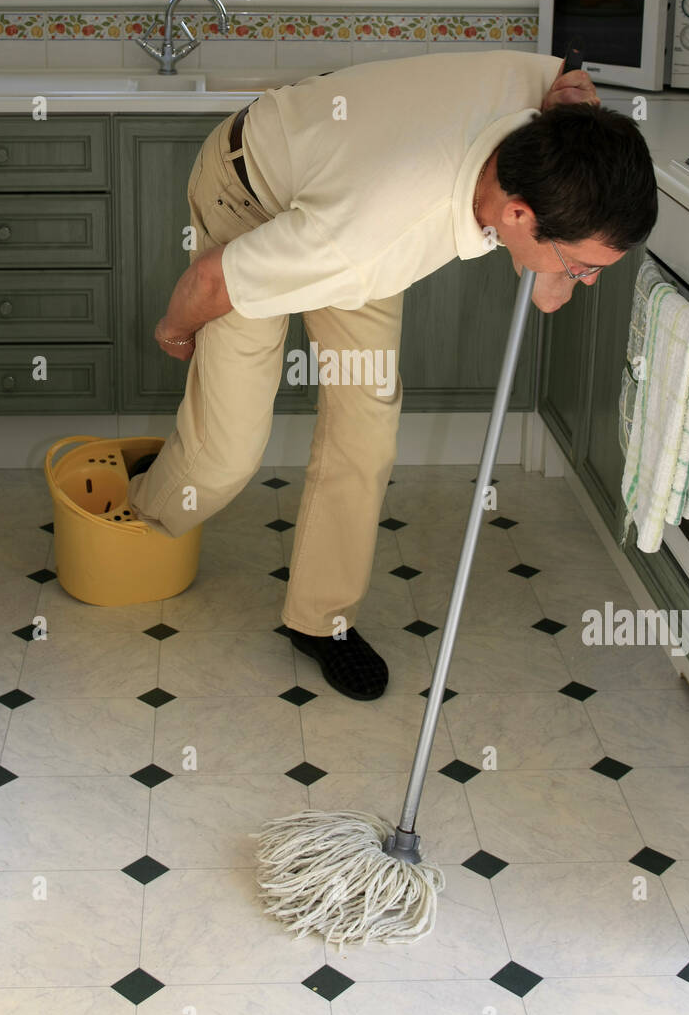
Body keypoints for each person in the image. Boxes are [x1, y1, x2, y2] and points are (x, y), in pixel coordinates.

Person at [127, 50, 657, 701]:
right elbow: (210, 279)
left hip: (347, 188)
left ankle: (321, 622)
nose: (588, 278)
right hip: (254, 188)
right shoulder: (371, 240)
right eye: (585, 264)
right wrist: (175, 331)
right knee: (228, 448)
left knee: (367, 428)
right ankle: (137, 515)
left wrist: (564, 262)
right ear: (520, 215)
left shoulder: (552, 111)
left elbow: (567, 74)